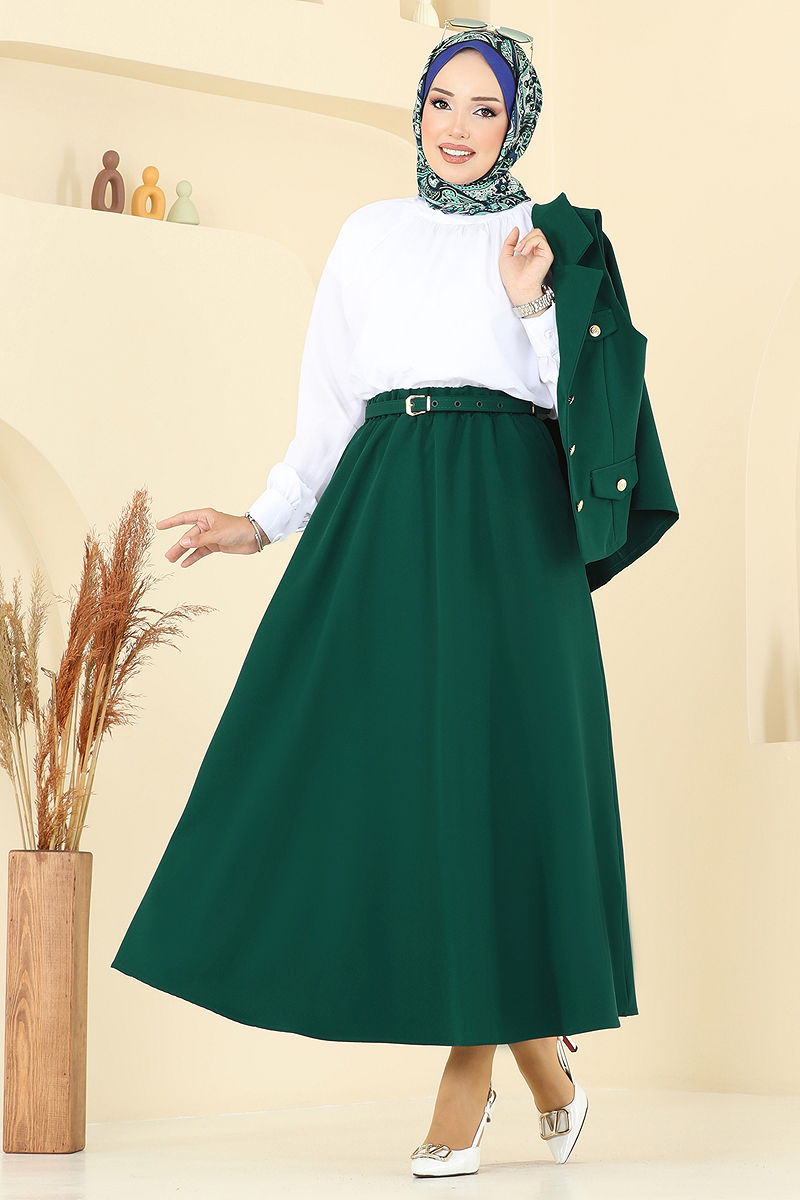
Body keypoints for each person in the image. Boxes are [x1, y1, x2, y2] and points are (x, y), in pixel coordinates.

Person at [111, 22, 674, 1176]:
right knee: (378, 776)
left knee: (495, 783)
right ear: (416, 110)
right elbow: (330, 404)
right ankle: (544, 1066)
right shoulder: (368, 235)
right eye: (441, 101)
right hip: (381, 512)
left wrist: (531, 303)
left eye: (484, 107)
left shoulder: (552, 236)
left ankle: (464, 1085)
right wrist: (260, 520)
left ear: (516, 121)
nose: (457, 127)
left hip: (507, 520)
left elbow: (585, 409)